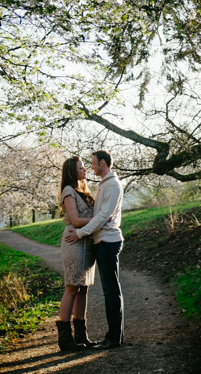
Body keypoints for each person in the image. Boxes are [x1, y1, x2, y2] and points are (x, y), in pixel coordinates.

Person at [65, 150, 124, 350]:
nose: (90, 167)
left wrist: (81, 233)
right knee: (109, 290)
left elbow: (103, 216)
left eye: (92, 163)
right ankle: (114, 336)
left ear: (102, 163)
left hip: (108, 241)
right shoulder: (104, 185)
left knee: (111, 291)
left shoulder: (113, 185)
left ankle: (114, 338)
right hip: (101, 241)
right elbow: (98, 215)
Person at [56, 156, 97, 352]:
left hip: (87, 242)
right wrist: (99, 218)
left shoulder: (83, 190)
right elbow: (75, 219)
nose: (85, 170)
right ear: (73, 171)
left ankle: (81, 335)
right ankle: (65, 338)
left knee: (84, 288)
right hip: (74, 242)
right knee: (72, 288)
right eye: (81, 168)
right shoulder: (68, 191)